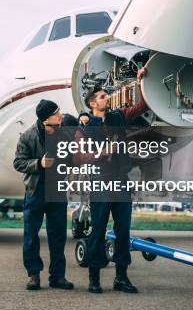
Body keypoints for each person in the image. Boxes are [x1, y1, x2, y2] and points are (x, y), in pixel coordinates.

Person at [74, 67, 148, 294]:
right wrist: (101, 154)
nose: (108, 97)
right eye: (103, 96)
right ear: (93, 103)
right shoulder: (84, 127)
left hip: (121, 181)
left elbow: (142, 106)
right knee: (97, 231)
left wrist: (140, 82)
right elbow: (79, 157)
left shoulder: (118, 117)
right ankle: (94, 279)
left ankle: (121, 278)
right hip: (101, 181)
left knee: (123, 230)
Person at [13, 99, 74, 291]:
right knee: (31, 236)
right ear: (46, 119)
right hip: (36, 191)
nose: (60, 115)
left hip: (57, 190)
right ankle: (33, 275)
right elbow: (18, 163)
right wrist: (39, 164)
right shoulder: (28, 137)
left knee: (58, 237)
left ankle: (58, 277)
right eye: (57, 113)